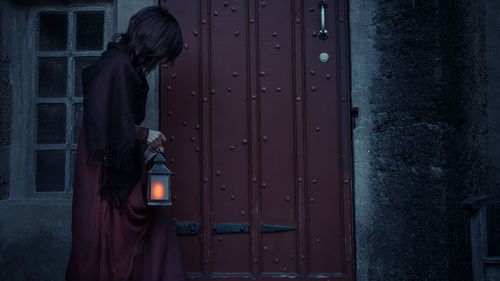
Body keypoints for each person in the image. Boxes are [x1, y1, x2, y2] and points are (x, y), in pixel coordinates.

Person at [65, 6, 185, 281]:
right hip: (105, 172)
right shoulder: (114, 65)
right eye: (165, 51)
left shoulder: (126, 66)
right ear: (153, 40)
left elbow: (116, 118)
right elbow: (101, 119)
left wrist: (142, 139)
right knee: (107, 237)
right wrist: (144, 134)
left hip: (119, 161)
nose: (165, 61)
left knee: (154, 223)